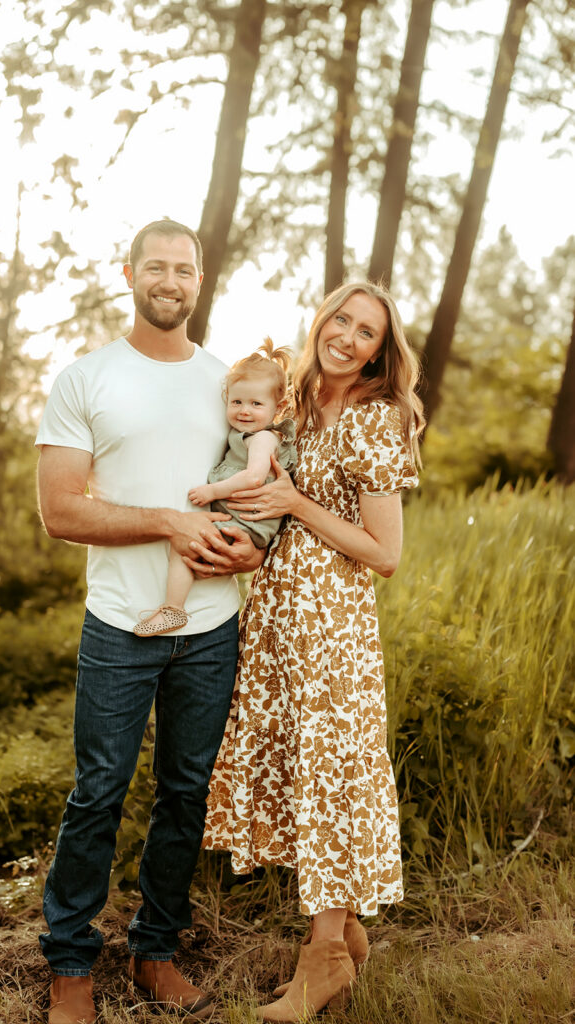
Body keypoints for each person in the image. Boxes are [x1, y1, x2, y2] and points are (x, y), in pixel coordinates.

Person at [35, 218, 265, 1024]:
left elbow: (257, 487)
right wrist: (169, 523)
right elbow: (60, 511)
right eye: (157, 266)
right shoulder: (85, 379)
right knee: (98, 791)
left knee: (185, 793)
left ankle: (155, 951)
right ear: (130, 273)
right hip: (119, 625)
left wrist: (247, 553)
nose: (171, 280)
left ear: (200, 281)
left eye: (185, 269)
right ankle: (70, 966)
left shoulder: (227, 381)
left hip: (211, 627)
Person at [199, 281, 425, 1021]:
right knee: (304, 776)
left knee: (330, 778)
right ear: (321, 321)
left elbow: (385, 554)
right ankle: (347, 931)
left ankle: (321, 960)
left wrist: (298, 504)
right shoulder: (288, 401)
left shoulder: (374, 420)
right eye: (342, 320)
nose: (349, 338)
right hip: (274, 623)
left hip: (333, 633)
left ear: (379, 351)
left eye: (367, 332)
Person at [133, 338, 297, 637]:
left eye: (256, 404)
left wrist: (212, 492)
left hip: (247, 522)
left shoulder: (263, 438)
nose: (245, 411)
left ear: (279, 407)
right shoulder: (242, 434)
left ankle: (173, 609)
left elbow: (253, 478)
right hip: (240, 518)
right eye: (237, 402)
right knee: (190, 545)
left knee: (184, 544)